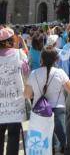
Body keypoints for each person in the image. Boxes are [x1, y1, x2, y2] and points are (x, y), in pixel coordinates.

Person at [25, 47, 70, 154]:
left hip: (39, 111)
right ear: (56, 59)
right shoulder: (60, 72)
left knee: (43, 138)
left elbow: (27, 94)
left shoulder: (34, 73)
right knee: (61, 136)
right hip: (57, 109)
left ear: (41, 59)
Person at [0, 27, 29, 155]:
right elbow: (27, 73)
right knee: (13, 136)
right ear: (10, 40)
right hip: (16, 104)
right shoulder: (19, 54)